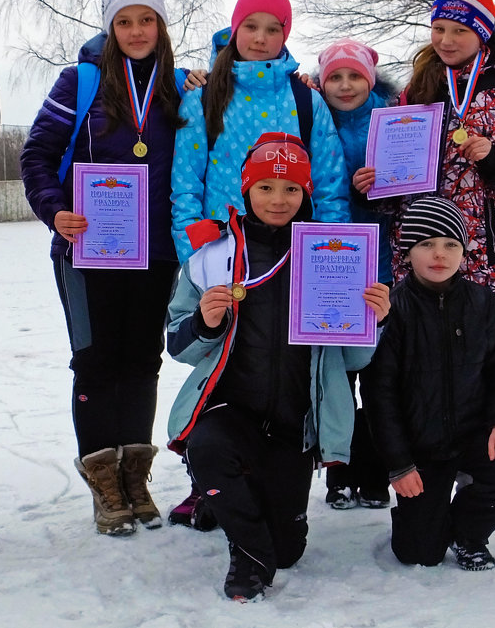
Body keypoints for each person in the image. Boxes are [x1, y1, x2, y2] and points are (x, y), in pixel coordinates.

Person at [166, 132, 390, 601]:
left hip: (293, 422)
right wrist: (204, 325)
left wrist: (374, 322)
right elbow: (176, 343)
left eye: (291, 189)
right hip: (230, 409)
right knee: (209, 449)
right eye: (265, 186)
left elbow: (355, 359)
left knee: (288, 549)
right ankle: (246, 555)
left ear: (306, 193)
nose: (278, 199)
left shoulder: (332, 254)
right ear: (245, 189)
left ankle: (230, 507)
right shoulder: (212, 254)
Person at [167, 0, 350, 527]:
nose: (263, 38)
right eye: (253, 26)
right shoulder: (206, 95)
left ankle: (273, 473)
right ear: (235, 29)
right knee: (217, 365)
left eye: (275, 29)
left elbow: (332, 183)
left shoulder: (304, 98)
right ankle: (207, 481)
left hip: (292, 255)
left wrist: (328, 260)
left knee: (280, 369)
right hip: (224, 259)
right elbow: (185, 184)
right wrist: (196, 260)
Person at [20, 0, 193, 537]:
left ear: (162, 26)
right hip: (88, 249)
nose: (137, 30)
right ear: (110, 26)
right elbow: (37, 155)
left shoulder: (184, 87)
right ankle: (104, 482)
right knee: (96, 360)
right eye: (125, 21)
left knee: (142, 359)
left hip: (158, 250)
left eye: (147, 20)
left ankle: (136, 476)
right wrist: (54, 210)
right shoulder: (81, 83)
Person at [353, 0, 495, 297]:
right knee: (418, 347)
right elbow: (396, 184)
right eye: (438, 29)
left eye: (459, 31)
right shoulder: (413, 93)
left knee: (475, 347)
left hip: (482, 260)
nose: (446, 40)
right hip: (417, 259)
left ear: (482, 33)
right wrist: (372, 187)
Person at [361, 196, 495, 571]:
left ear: (463, 250)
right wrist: (400, 464)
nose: (439, 254)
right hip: (421, 446)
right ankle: (425, 517)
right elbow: (379, 395)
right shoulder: (394, 310)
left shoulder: (482, 303)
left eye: (450, 244)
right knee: (419, 553)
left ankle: (470, 534)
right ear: (407, 253)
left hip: (475, 433)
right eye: (426, 244)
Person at [314, 38, 394, 511]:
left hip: (384, 265)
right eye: (335, 78)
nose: (345, 86)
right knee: (336, 375)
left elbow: (415, 183)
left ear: (370, 79)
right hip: (330, 266)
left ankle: (375, 473)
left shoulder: (394, 122)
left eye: (354, 76)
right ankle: (337, 472)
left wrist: (379, 186)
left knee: (381, 377)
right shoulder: (311, 118)